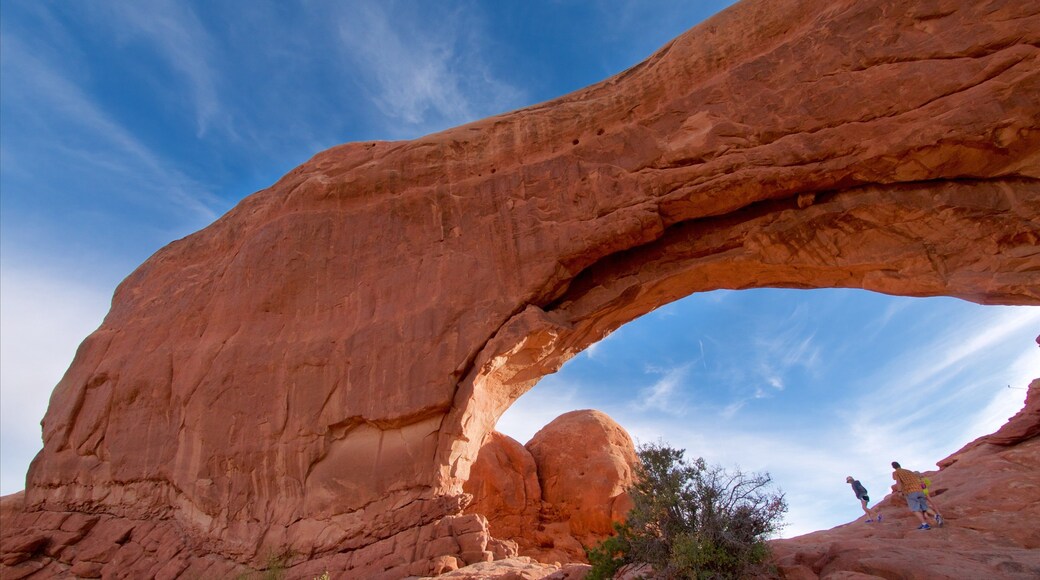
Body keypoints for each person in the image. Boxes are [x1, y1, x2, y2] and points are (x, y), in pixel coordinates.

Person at [891, 461, 942, 530]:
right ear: (899, 465)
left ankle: (925, 524)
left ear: (893, 467)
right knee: (924, 507)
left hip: (910, 491)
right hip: (920, 491)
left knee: (915, 509)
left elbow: (898, 482)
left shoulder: (897, 472)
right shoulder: (908, 471)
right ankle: (936, 516)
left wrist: (899, 491)